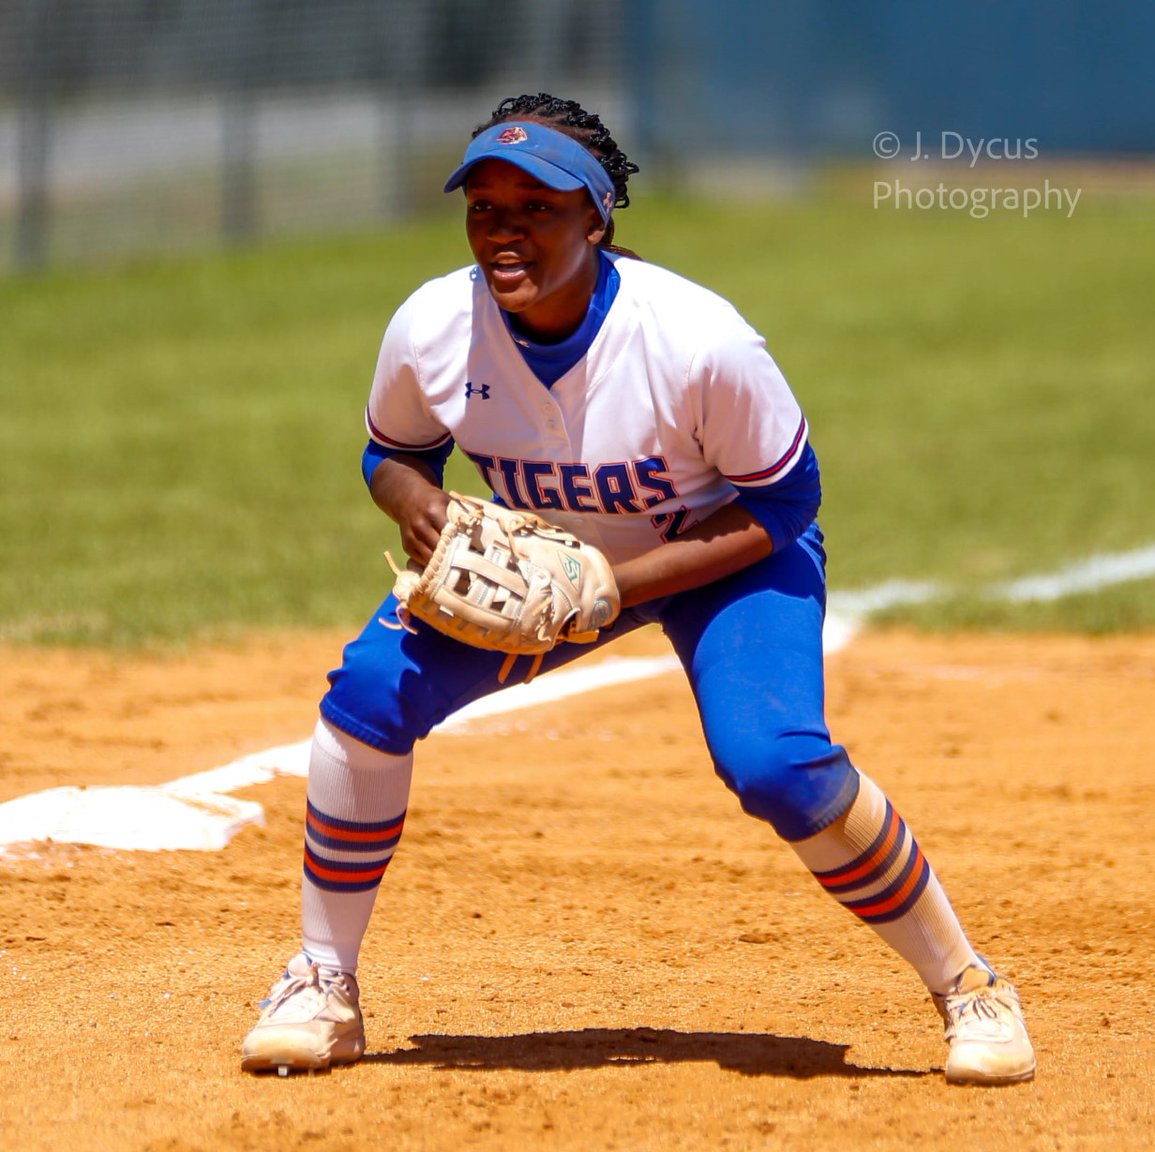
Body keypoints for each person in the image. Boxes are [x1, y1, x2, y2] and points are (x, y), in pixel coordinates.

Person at [241, 93, 1036, 1085]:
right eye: (487, 207)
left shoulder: (696, 340)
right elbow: (390, 453)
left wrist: (617, 585)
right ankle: (322, 981)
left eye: (537, 207)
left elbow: (785, 504)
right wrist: (414, 502)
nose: (506, 231)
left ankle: (971, 986)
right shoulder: (433, 325)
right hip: (543, 571)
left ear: (597, 217)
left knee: (777, 768)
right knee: (367, 699)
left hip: (724, 555)